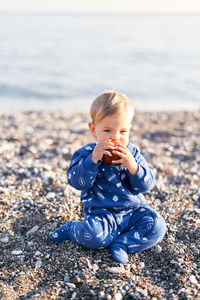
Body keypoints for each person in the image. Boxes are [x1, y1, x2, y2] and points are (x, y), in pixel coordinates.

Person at [52, 91, 166, 263]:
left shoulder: (132, 153)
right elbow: (76, 182)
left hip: (132, 212)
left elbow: (146, 185)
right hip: (102, 214)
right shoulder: (86, 154)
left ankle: (122, 244)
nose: (116, 137)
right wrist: (92, 161)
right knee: (94, 237)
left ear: (129, 130)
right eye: (107, 130)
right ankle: (72, 229)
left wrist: (132, 166)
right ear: (93, 130)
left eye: (122, 131)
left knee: (157, 226)